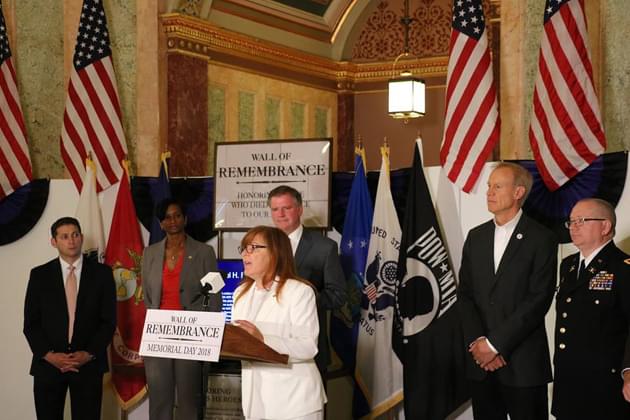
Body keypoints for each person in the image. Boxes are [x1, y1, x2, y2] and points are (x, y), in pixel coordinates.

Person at [457, 162, 558, 420]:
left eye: (497, 186)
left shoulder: (542, 238)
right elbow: (466, 295)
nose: (489, 192)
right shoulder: (476, 237)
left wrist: (494, 345)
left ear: (518, 192)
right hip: (481, 363)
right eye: (489, 186)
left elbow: (538, 300)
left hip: (523, 364)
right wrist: (479, 345)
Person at [23, 217, 116, 420]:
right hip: (48, 365)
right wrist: (49, 356)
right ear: (54, 242)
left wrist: (89, 353)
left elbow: (108, 321)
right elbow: (31, 324)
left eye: (75, 235)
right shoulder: (39, 275)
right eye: (64, 236)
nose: (71, 241)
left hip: (88, 365)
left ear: (82, 237)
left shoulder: (102, 274)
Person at [232, 225, 327, 419]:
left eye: (253, 248)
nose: (245, 255)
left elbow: (308, 346)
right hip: (255, 402)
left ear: (275, 253)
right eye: (244, 248)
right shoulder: (239, 294)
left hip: (295, 401)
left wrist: (262, 339)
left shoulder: (300, 292)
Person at [142, 198, 222, 420]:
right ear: (160, 224)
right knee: (159, 400)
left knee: (189, 400)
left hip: (191, 335)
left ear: (185, 219)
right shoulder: (149, 253)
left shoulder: (204, 251)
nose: (173, 220)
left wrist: (208, 331)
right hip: (159, 335)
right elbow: (148, 297)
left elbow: (214, 293)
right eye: (167, 217)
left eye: (177, 215)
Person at [552, 198, 630, 419]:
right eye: (571, 222)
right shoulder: (568, 266)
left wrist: (629, 372)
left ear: (605, 226)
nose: (573, 227)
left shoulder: (623, 269)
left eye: (582, 220)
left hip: (605, 384)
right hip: (568, 381)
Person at [267, 185, 346, 377]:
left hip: (308, 350)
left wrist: (303, 298)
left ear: (300, 209)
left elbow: (338, 296)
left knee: (309, 406)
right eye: (275, 209)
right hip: (267, 346)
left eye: (287, 208)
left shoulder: (324, 247)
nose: (281, 214)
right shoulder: (262, 244)